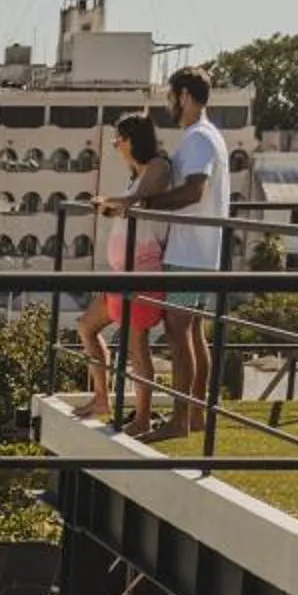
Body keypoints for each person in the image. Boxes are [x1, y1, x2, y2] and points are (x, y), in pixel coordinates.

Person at [105, 67, 230, 439]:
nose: (170, 105)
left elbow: (195, 190)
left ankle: (180, 421)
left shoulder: (198, 139)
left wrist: (148, 204)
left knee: (180, 334)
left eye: (172, 96)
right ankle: (194, 415)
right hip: (202, 252)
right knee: (192, 333)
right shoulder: (211, 137)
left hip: (190, 251)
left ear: (186, 96)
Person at [86, 114, 175, 433]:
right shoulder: (136, 174)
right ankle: (101, 398)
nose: (115, 146)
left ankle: (141, 418)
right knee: (87, 325)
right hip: (122, 272)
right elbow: (128, 204)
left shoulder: (158, 167)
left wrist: (110, 203)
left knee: (137, 345)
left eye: (118, 140)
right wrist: (111, 204)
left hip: (142, 271)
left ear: (132, 139)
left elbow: (137, 202)